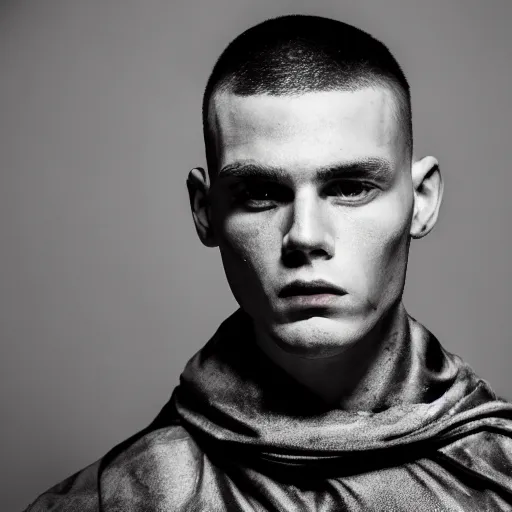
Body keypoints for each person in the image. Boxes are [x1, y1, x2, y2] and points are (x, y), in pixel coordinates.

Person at [25, 14, 512, 511]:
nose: (304, 235)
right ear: (204, 211)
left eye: (349, 188)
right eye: (260, 194)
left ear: (422, 199)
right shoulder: (114, 500)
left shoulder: (499, 471)